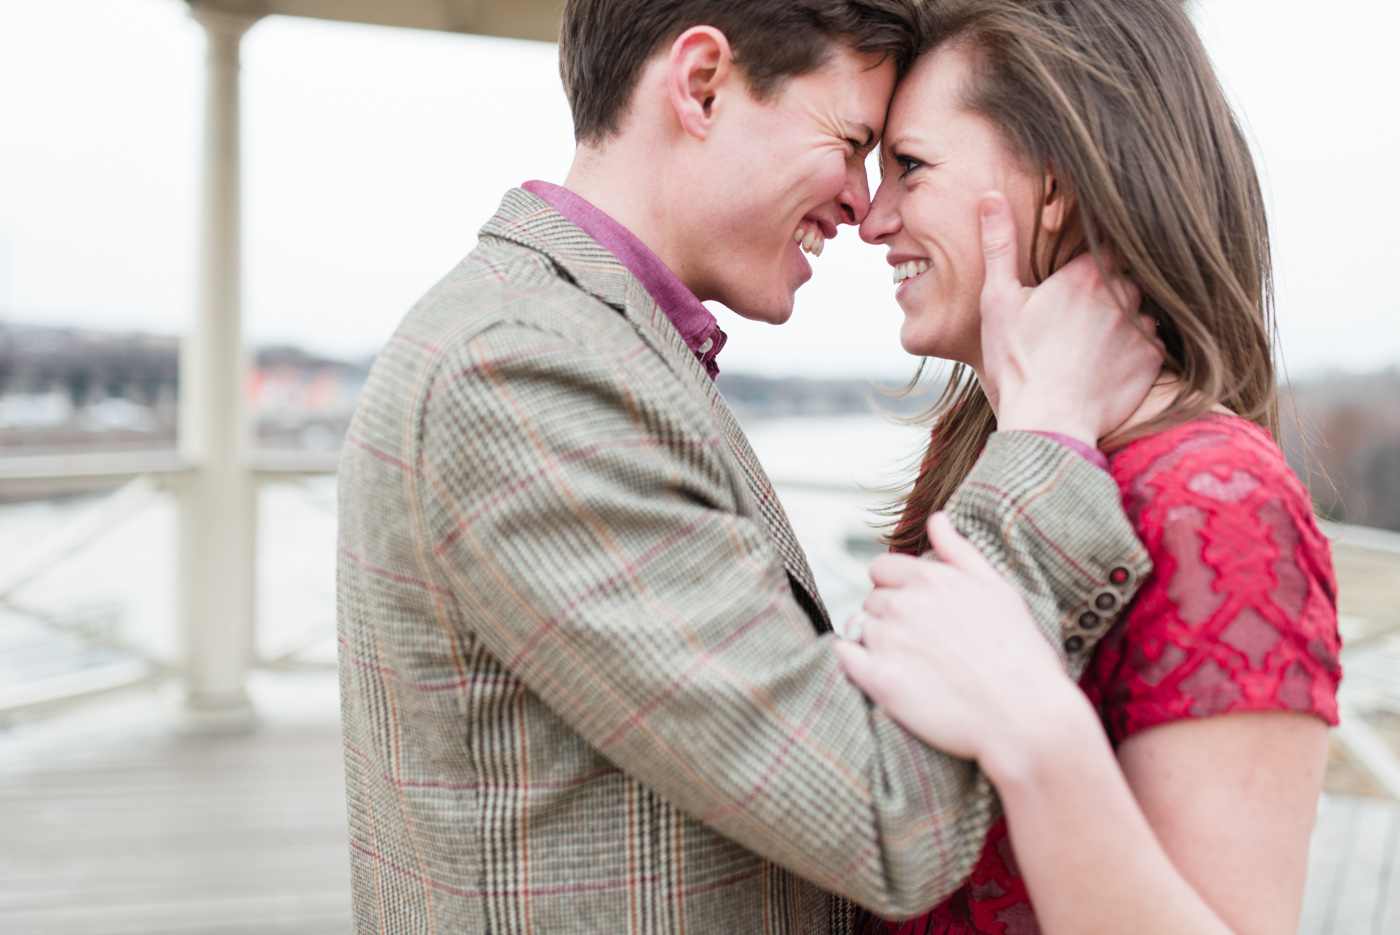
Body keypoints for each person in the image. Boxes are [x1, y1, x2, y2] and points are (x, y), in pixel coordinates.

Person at [336, 1, 1162, 932]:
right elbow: (883, 815)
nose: (861, 203)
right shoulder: (521, 369)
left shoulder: (583, 342)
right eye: (852, 142)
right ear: (702, 85)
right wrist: (1047, 437)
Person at [837, 1, 1342, 933]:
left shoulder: (1212, 498)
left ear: (1058, 185)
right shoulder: (984, 449)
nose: (873, 220)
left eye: (909, 166)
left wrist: (1038, 733)